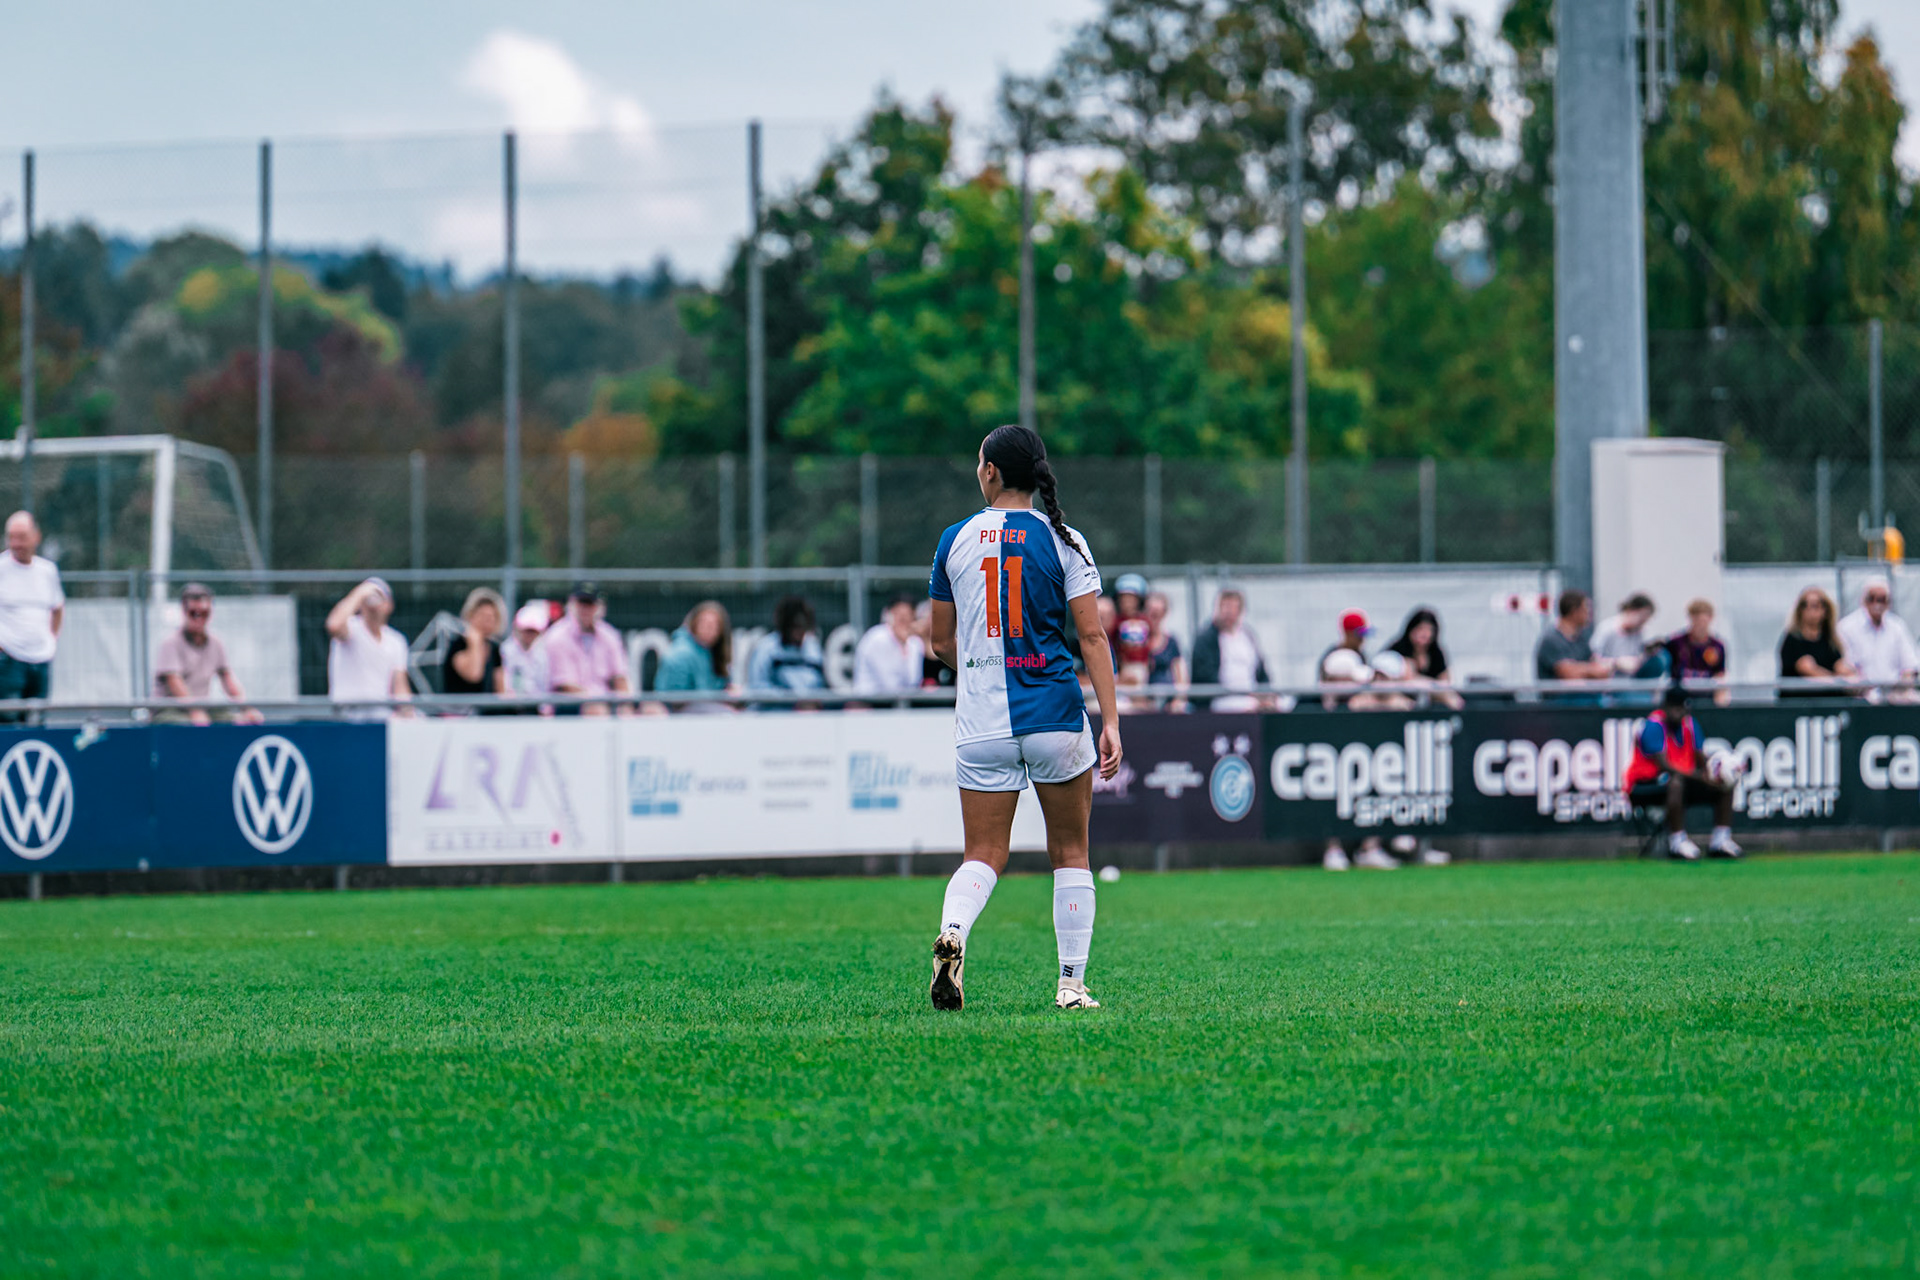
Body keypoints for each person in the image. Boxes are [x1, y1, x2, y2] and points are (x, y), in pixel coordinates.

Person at [926, 424, 1122, 1014]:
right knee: (1070, 853)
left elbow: (940, 643)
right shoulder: (1065, 537)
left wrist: (988, 671)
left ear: (990, 472)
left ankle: (954, 934)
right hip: (1055, 717)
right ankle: (1070, 984)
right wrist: (1110, 718)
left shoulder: (954, 539)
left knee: (982, 854)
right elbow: (1091, 635)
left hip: (982, 724)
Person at [1623, 684, 1741, 860]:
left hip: (1682, 780)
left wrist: (1719, 770)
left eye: (1682, 708)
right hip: (1646, 785)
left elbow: (1701, 758)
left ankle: (1720, 840)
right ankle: (1677, 841)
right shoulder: (1653, 725)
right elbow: (1665, 765)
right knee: (1675, 781)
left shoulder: (1690, 725)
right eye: (1675, 708)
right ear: (1665, 707)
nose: (1679, 713)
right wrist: (1701, 777)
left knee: (1725, 782)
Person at [153, 584, 261, 724]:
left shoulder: (216, 643)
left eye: (204, 613)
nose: (199, 618)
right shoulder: (171, 643)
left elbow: (227, 679)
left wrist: (246, 709)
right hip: (170, 709)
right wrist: (195, 711)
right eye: (193, 613)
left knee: (232, 720)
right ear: (184, 611)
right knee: (185, 724)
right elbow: (174, 681)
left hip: (201, 706)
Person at [0, 511, 64, 720]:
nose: (16, 543)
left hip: (41, 661)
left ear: (36, 536)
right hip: (8, 661)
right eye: (12, 537)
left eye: (22, 537)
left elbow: (57, 608)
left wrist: (51, 641)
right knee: (10, 722)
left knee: (37, 720)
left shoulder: (47, 571)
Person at [326, 577, 411, 719]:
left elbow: (400, 686)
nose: (373, 601)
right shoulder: (351, 628)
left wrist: (408, 713)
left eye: (380, 596)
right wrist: (360, 592)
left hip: (379, 716)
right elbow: (334, 625)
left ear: (390, 605)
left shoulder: (396, 641)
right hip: (347, 716)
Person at [545, 583, 633, 715]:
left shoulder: (609, 635)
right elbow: (565, 686)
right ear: (572, 604)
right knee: (595, 709)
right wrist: (598, 701)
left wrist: (626, 705)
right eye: (582, 603)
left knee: (649, 709)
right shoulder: (557, 636)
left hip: (602, 704)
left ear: (599, 607)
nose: (586, 609)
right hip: (567, 706)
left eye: (590, 604)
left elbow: (620, 677)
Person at [1191, 588, 1269, 712]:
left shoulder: (1248, 636)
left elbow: (1262, 673)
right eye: (1225, 607)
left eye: (1234, 608)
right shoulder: (1206, 639)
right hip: (1222, 698)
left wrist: (1265, 694)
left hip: (1251, 694)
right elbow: (1206, 676)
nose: (1229, 613)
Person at [1837, 577, 1919, 693]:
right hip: (1860, 696)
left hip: (1895, 696)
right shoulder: (1846, 627)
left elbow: (1910, 666)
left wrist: (1901, 689)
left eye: (1882, 599)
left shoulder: (1897, 626)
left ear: (1888, 602)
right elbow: (1845, 668)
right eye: (1872, 598)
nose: (1877, 604)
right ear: (1863, 600)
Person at [1377, 606, 1464, 710]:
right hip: (1400, 696)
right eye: (1420, 629)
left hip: (1431, 697)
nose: (1424, 634)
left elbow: (1445, 680)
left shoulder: (1436, 653)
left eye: (1429, 630)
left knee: (1453, 699)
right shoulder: (1397, 650)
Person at [1778, 585, 1856, 698]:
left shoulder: (1830, 639)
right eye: (1805, 605)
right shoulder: (1793, 639)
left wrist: (1852, 678)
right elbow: (1806, 668)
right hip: (1799, 703)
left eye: (1815, 605)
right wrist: (1836, 681)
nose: (1810, 610)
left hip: (1829, 702)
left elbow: (1839, 665)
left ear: (1825, 610)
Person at [747, 595, 828, 703]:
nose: (800, 632)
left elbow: (820, 684)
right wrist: (792, 701)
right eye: (795, 626)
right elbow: (758, 688)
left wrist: (813, 702)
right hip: (776, 714)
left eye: (803, 626)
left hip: (809, 714)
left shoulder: (813, 648)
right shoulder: (766, 649)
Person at [655, 600, 734, 709]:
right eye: (706, 624)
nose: (710, 630)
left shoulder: (710, 651)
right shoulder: (681, 654)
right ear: (695, 623)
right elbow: (675, 699)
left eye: (715, 626)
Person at [1535, 590, 1615, 690]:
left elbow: (1600, 670)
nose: (1589, 615)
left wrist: (1583, 670)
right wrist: (1589, 671)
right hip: (1559, 702)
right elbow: (1569, 675)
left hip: (1586, 698)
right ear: (1574, 612)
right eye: (1586, 610)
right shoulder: (1551, 640)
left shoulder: (1581, 639)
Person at [441, 587, 507, 703]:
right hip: (459, 712)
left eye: (491, 617)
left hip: (486, 713)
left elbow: (500, 688)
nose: (487, 621)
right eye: (482, 616)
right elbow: (474, 675)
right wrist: (475, 642)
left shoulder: (494, 648)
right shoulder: (458, 645)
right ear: (471, 615)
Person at [854, 595, 925, 697]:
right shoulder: (877, 638)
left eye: (908, 617)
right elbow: (889, 686)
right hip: (870, 704)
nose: (903, 622)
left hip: (901, 704)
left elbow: (914, 681)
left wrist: (905, 648)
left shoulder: (915, 643)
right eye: (899, 616)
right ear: (889, 615)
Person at [1666, 598, 1729, 700]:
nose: (1700, 625)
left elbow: (1720, 674)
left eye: (1703, 621)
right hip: (1681, 694)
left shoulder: (1717, 646)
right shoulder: (1676, 643)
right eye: (1697, 620)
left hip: (1706, 694)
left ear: (1710, 619)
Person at [500, 601, 553, 705]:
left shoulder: (541, 654)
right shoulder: (505, 651)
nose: (529, 635)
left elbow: (544, 685)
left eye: (533, 631)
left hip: (534, 709)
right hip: (511, 708)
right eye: (526, 630)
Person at [1143, 591, 1187, 710]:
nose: (1154, 618)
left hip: (1169, 701)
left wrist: (1178, 699)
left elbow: (1180, 676)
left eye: (1158, 614)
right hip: (1143, 700)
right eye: (1151, 613)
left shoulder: (1172, 642)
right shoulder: (1137, 641)